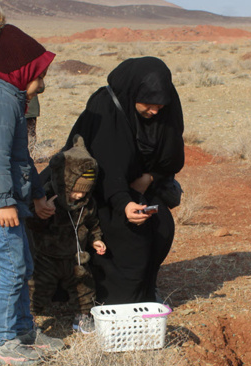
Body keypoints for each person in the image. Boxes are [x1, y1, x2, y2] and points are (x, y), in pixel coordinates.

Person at [0, 7, 62, 366]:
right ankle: (3, 342)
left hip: (9, 204)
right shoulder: (1, 102)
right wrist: (5, 202)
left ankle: (24, 332)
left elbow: (20, 158)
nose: (44, 82)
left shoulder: (10, 100)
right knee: (12, 269)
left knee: (22, 266)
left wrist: (36, 195)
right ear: (25, 71)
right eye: (41, 74)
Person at [64, 57, 184, 305]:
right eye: (149, 105)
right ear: (132, 94)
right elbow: (104, 166)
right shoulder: (105, 107)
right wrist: (124, 202)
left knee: (161, 226)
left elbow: (172, 156)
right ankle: (108, 299)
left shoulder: (165, 107)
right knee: (124, 235)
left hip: (140, 185)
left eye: (160, 106)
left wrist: (150, 178)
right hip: (98, 189)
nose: (155, 111)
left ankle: (146, 288)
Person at [28, 135, 105, 334]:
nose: (79, 195)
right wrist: (43, 214)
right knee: (37, 288)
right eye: (75, 191)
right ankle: (28, 318)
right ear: (64, 183)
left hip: (76, 258)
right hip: (47, 257)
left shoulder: (87, 204)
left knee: (84, 288)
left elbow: (92, 223)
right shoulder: (47, 198)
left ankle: (83, 317)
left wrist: (96, 240)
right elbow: (32, 225)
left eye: (84, 192)